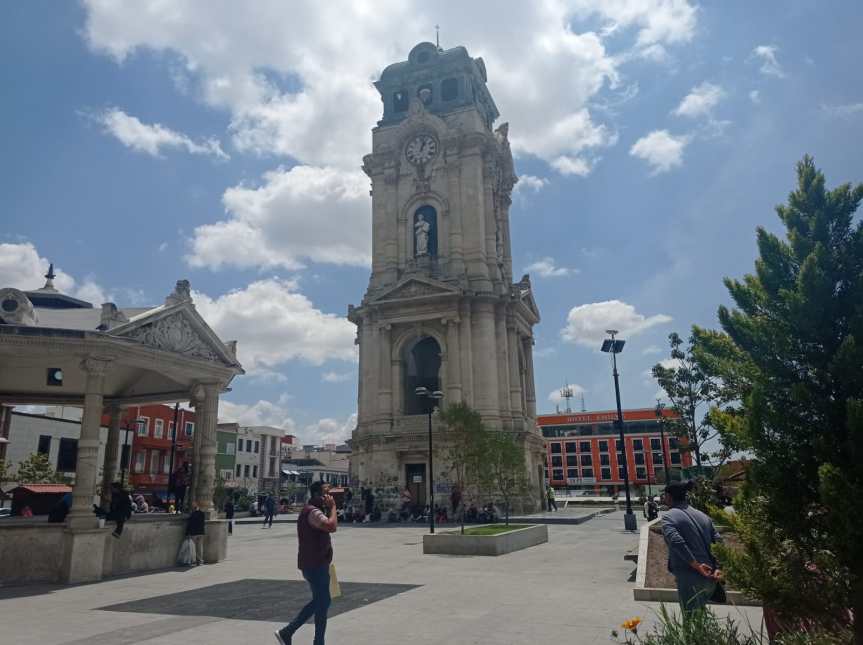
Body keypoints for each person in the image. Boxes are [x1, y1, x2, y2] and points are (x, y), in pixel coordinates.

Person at [275, 481, 337, 645]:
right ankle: (287, 631)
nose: (328, 496)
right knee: (322, 601)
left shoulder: (313, 510)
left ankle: (318, 642)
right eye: (326, 492)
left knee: (323, 603)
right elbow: (331, 526)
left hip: (319, 562)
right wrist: (333, 507)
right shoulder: (313, 512)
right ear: (317, 494)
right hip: (315, 564)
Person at [661, 481, 723, 614]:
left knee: (691, 622)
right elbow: (718, 541)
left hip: (690, 578)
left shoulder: (668, 517)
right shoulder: (703, 515)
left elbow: (676, 542)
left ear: (669, 497)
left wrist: (697, 565)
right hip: (711, 578)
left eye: (664, 495)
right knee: (701, 619)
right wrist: (718, 567)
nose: (663, 498)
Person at [186, 501, 206, 566]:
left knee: (193, 548)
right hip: (201, 532)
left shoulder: (192, 515)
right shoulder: (202, 514)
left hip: (194, 533)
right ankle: (199, 561)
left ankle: (193, 561)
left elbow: (190, 524)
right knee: (200, 547)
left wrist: (187, 533)